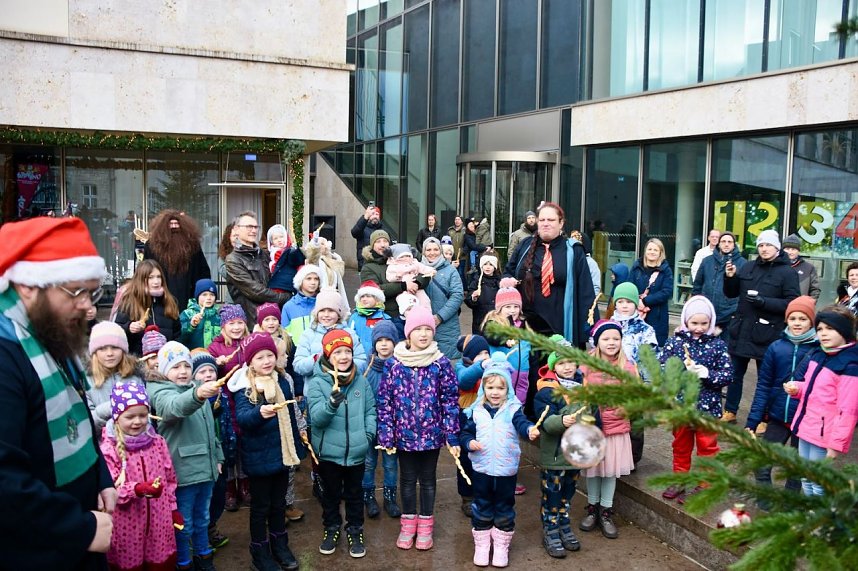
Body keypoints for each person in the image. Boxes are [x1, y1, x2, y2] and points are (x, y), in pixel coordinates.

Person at [0, 217, 115, 569]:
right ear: (29, 287)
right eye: (75, 292)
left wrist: (100, 477)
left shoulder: (45, 331)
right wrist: (78, 528)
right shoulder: (6, 355)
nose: (87, 305)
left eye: (91, 292)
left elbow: (76, 412)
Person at [376, 306, 460, 551]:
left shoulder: (441, 363)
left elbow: (450, 400)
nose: (423, 334)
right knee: (407, 480)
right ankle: (408, 523)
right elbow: (385, 401)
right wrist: (387, 434)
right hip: (404, 436)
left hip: (432, 436)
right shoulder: (394, 364)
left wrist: (451, 434)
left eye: (427, 329)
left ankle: (425, 524)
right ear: (408, 333)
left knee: (428, 480)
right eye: (418, 329)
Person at [502, 202, 596, 416]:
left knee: (561, 371)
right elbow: (508, 273)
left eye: (551, 220)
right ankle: (531, 418)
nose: (545, 224)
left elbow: (586, 292)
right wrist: (506, 281)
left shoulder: (574, 251)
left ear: (561, 223)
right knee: (531, 370)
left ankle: (559, 417)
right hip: (530, 324)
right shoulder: (525, 245)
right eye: (542, 220)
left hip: (561, 323)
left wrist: (589, 331)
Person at [230, 333, 304, 570]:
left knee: (279, 504)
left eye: (270, 355)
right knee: (261, 508)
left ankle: (280, 545)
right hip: (259, 458)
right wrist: (259, 413)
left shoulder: (282, 380)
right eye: (260, 357)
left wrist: (297, 446)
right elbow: (242, 418)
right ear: (250, 361)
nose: (266, 361)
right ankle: (260, 552)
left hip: (282, 454)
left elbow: (291, 417)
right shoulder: (245, 385)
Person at [147, 341, 222, 571]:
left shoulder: (196, 387)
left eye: (186, 366)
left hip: (206, 469)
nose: (182, 372)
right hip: (182, 471)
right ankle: (184, 563)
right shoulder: (159, 391)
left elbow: (211, 429)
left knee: (203, 519)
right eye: (176, 366)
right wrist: (198, 394)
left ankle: (203, 555)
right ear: (163, 369)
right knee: (183, 523)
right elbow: (174, 408)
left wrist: (217, 456)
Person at [459, 354, 539, 568]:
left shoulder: (513, 410)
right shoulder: (475, 411)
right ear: (483, 388)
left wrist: (530, 430)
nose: (495, 392)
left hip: (506, 470)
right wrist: (469, 443)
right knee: (481, 504)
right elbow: (465, 434)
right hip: (482, 468)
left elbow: (522, 423)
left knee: (505, 506)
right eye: (491, 387)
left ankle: (502, 545)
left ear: (508, 390)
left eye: (500, 388)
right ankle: (483, 544)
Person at [306, 329, 377, 559]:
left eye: (347, 351)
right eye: (338, 352)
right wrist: (331, 405)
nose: (344, 357)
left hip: (356, 451)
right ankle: (332, 528)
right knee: (331, 495)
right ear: (328, 355)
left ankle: (355, 530)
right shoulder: (318, 383)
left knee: (355, 495)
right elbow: (316, 419)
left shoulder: (361, 381)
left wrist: (367, 436)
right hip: (329, 453)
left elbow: (370, 411)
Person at [658, 296, 733, 504]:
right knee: (680, 445)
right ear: (685, 321)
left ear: (711, 322)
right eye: (694, 323)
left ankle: (705, 485)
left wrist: (707, 373)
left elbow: (728, 375)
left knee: (707, 447)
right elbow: (663, 368)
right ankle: (680, 480)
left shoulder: (718, 345)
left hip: (708, 408)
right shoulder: (676, 342)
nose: (699, 328)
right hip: (681, 406)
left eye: (704, 323)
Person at [722, 230, 801, 423]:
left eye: (768, 245)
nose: (764, 249)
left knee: (765, 379)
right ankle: (730, 411)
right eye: (761, 245)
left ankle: (763, 418)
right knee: (734, 374)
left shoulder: (788, 272)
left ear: (777, 247)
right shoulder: (748, 267)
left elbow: (792, 303)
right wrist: (730, 277)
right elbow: (731, 293)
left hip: (767, 333)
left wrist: (764, 302)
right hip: (741, 330)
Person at [745, 296, 818, 500]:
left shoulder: (819, 350)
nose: (797, 323)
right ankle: (766, 500)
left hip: (804, 420)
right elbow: (763, 385)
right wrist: (754, 419)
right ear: (787, 319)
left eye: (803, 319)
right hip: (778, 416)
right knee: (762, 462)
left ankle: (789, 502)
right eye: (793, 318)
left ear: (812, 322)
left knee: (796, 468)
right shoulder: (776, 347)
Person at [100, 381, 179, 571]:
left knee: (160, 562)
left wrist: (173, 508)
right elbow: (111, 487)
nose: (137, 421)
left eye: (143, 415)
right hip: (126, 525)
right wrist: (138, 489)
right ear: (117, 417)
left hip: (159, 522)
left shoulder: (157, 442)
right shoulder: (109, 448)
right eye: (130, 416)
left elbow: (169, 478)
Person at [786, 306, 858, 496]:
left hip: (824, 434)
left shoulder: (850, 364)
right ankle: (812, 517)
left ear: (844, 331)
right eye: (820, 329)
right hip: (806, 426)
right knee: (806, 478)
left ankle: (824, 521)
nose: (823, 333)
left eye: (830, 328)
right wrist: (797, 389)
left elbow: (848, 411)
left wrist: (835, 445)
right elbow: (812, 390)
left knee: (819, 483)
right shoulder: (818, 354)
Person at [579, 320, 636, 540]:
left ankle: (606, 511)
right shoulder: (587, 364)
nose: (611, 342)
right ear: (597, 341)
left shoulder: (627, 366)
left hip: (616, 428)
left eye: (616, 338)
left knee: (610, 471)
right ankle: (592, 507)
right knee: (594, 470)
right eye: (606, 338)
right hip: (594, 427)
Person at [534, 337, 584, 559]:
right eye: (562, 363)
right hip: (554, 456)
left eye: (571, 362)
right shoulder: (546, 391)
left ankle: (564, 524)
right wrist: (561, 422)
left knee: (568, 492)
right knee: (552, 494)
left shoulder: (584, 389)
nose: (567, 367)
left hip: (575, 455)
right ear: (554, 366)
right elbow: (544, 421)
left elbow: (595, 418)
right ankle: (550, 529)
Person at [206, 305, 249, 512]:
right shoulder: (215, 347)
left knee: (243, 444)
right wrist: (215, 363)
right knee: (228, 444)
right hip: (225, 402)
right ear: (223, 326)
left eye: (240, 322)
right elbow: (204, 369)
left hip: (245, 399)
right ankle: (230, 488)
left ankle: (245, 484)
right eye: (232, 323)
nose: (237, 327)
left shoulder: (250, 342)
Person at [610, 282, 658, 465]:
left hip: (634, 382)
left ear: (635, 304)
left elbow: (649, 360)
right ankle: (614, 454)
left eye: (628, 302)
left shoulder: (645, 330)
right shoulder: (608, 326)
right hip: (611, 381)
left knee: (635, 421)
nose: (624, 305)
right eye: (620, 301)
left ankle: (633, 458)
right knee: (613, 417)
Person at [362, 321, 402, 519]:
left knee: (390, 463)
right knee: (368, 462)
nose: (384, 344)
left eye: (388, 340)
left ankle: (389, 498)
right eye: (380, 340)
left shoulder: (399, 366)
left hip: (392, 427)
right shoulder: (367, 369)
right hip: (370, 425)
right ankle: (368, 496)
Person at [225, 211, 290, 325]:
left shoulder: (264, 254)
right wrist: (284, 297)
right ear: (236, 229)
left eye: (256, 227)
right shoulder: (233, 260)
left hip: (274, 318)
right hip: (253, 321)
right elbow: (255, 291)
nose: (254, 230)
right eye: (249, 227)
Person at [454, 334, 492, 517]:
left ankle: (484, 493)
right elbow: (464, 380)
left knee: (484, 454)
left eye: (487, 352)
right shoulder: (461, 366)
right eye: (479, 353)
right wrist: (480, 366)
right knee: (466, 458)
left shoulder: (490, 369)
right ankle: (467, 496)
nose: (485, 356)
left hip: (485, 418)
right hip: (466, 418)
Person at [293, 288, 368, 379]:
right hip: (317, 390)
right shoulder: (308, 335)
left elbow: (362, 362)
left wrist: (344, 364)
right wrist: (317, 358)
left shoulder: (350, 334)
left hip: (345, 388)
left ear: (339, 313)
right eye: (322, 311)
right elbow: (298, 366)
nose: (326, 315)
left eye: (331, 311)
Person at [144, 210, 212, 310]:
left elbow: (202, 271)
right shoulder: (151, 246)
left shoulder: (193, 245)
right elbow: (145, 271)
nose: (174, 227)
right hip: (160, 299)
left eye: (177, 223)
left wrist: (203, 293)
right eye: (171, 224)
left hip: (188, 298)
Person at [85, 322, 145, 432]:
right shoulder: (86, 381)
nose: (109, 353)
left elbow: (146, 415)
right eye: (102, 349)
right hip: (102, 446)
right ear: (94, 353)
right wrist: (111, 407)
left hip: (135, 444)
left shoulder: (135, 377)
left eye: (115, 347)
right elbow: (86, 422)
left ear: (123, 350)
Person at [114, 260, 181, 355]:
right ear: (141, 279)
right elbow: (116, 330)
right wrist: (129, 327)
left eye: (159, 277)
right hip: (138, 361)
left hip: (165, 360)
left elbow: (177, 333)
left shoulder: (169, 301)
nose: (156, 281)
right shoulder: (129, 302)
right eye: (150, 277)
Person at [360, 229, 429, 319]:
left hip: (414, 309)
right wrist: (403, 286)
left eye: (385, 241)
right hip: (388, 315)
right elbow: (373, 291)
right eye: (378, 242)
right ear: (372, 245)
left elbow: (425, 274)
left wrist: (416, 283)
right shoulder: (368, 268)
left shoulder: (402, 257)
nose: (382, 245)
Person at [692, 232, 747, 340]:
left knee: (726, 349)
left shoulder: (742, 263)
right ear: (719, 244)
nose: (726, 244)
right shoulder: (707, 261)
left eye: (729, 242)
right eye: (723, 241)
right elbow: (698, 284)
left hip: (730, 313)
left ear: (734, 244)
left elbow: (743, 289)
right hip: (707, 311)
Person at [421, 237, 465, 359]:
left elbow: (457, 295)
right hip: (422, 325)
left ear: (440, 251)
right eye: (428, 249)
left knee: (445, 365)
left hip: (446, 325)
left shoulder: (450, 270)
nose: (432, 252)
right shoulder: (417, 269)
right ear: (423, 252)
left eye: (436, 249)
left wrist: (440, 316)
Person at [629, 238, 674, 346]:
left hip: (657, 316)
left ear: (660, 253)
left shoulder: (665, 270)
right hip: (636, 314)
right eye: (649, 249)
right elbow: (629, 287)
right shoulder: (636, 267)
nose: (652, 252)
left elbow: (667, 292)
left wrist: (645, 301)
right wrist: (636, 301)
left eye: (655, 250)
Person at [347, 280, 390, 361]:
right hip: (359, 359)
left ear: (377, 299)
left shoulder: (385, 318)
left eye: (368, 296)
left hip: (379, 360)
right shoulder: (354, 317)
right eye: (362, 297)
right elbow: (350, 337)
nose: (364, 299)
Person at [386, 243, 435, 310]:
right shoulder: (393, 266)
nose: (406, 258)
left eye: (408, 256)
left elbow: (423, 268)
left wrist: (431, 271)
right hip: (403, 290)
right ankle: (409, 317)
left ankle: (427, 316)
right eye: (403, 256)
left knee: (425, 300)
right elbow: (389, 277)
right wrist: (397, 276)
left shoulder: (414, 263)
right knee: (407, 303)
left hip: (417, 288)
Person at [282, 264, 323, 344]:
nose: (313, 282)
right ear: (300, 281)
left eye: (316, 279)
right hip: (296, 352)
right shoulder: (289, 307)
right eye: (308, 279)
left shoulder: (322, 304)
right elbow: (285, 334)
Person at [179, 278, 221, 350]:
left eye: (212, 295)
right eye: (204, 295)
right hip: (194, 356)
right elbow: (180, 338)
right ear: (197, 297)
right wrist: (191, 325)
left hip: (215, 357)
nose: (208, 298)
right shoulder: (187, 314)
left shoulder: (219, 315)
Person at [465, 254, 501, 335]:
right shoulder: (476, 280)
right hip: (480, 319)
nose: (487, 267)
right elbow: (468, 299)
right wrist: (473, 298)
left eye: (491, 264)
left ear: (495, 267)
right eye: (485, 264)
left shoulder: (499, 281)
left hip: (495, 318)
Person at [266, 224, 306, 295]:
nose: (279, 240)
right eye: (275, 238)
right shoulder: (275, 252)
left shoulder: (290, 250)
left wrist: (294, 249)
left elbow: (297, 259)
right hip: (280, 285)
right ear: (271, 242)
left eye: (281, 237)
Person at [781, 234, 821, 301]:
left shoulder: (809, 268)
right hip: (778, 307)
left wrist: (808, 305)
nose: (790, 252)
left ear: (798, 251)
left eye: (793, 249)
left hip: (800, 308)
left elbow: (815, 290)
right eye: (787, 249)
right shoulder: (777, 265)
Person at [351, 205, 383, 271]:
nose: (375, 216)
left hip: (380, 265)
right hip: (365, 265)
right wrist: (365, 217)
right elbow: (354, 232)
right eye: (372, 214)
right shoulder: (362, 228)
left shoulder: (383, 229)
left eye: (377, 214)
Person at [447, 216, 467, 283]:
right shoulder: (450, 230)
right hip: (451, 256)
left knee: (461, 273)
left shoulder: (465, 231)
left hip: (462, 256)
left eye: (458, 219)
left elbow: (467, 243)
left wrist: (462, 251)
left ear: (461, 221)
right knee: (452, 273)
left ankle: (464, 289)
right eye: (456, 219)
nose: (457, 221)